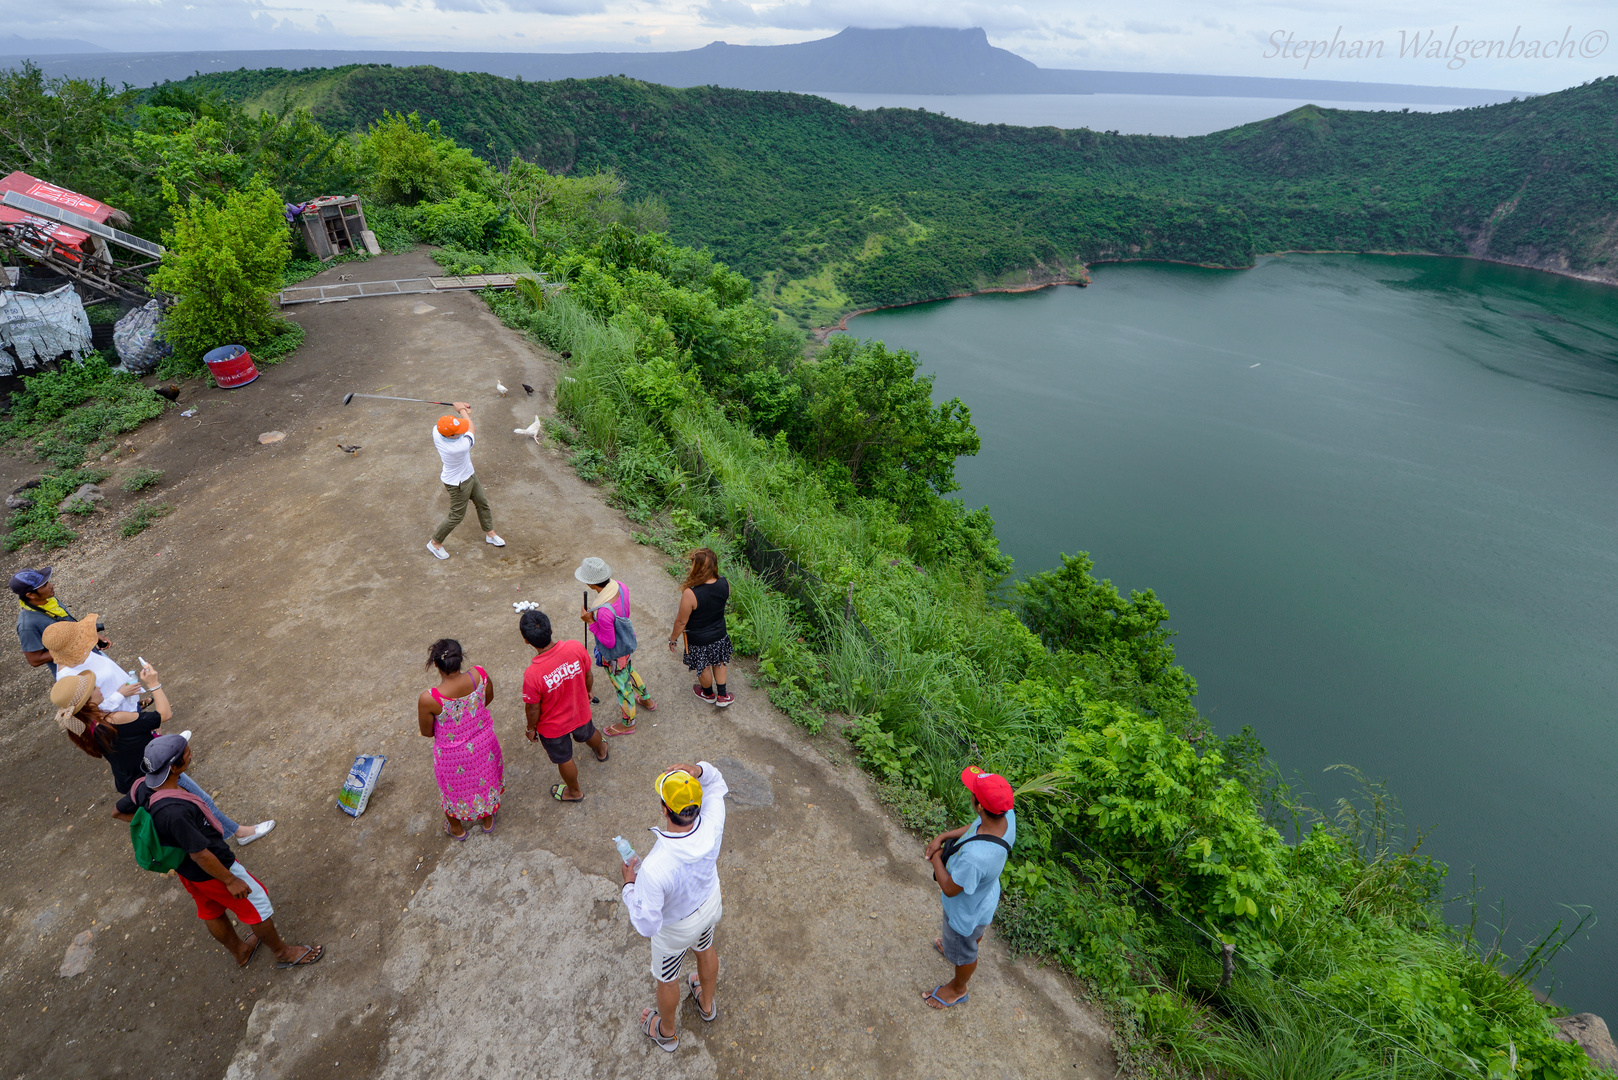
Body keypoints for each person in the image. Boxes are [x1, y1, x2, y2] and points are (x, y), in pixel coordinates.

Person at [113, 734, 322, 969]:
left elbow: (118, 812)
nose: (191, 754)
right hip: (214, 869)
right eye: (187, 753)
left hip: (188, 872)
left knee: (210, 910)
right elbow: (200, 854)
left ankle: (241, 952)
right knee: (257, 904)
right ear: (173, 767)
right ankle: (282, 953)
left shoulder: (143, 786)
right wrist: (230, 879)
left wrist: (161, 831)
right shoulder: (174, 812)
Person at [53, 666, 276, 845]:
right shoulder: (114, 719)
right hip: (155, 771)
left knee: (187, 805)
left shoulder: (84, 726)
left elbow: (124, 743)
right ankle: (238, 834)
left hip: (131, 778)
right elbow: (165, 714)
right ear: (88, 701)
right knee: (201, 801)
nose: (99, 687)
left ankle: (215, 835)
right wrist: (154, 685)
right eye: (93, 687)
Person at [622, 762, 730, 1053]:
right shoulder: (714, 817)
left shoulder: (655, 867)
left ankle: (667, 1031)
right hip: (708, 905)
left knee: (667, 978)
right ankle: (706, 1005)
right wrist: (697, 770)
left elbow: (647, 925)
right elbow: (717, 782)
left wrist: (629, 886)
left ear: (664, 807)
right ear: (698, 803)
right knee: (705, 949)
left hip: (675, 930)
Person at [921, 766, 1017, 1009]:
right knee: (973, 937)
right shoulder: (1006, 815)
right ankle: (963, 947)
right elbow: (974, 829)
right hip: (984, 900)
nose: (971, 793)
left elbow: (950, 889)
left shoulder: (975, 859)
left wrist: (936, 856)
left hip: (965, 913)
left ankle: (957, 988)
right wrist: (942, 836)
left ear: (980, 806)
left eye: (973, 792)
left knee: (965, 951)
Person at [416, 638, 503, 839]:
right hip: (484, 744)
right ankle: (488, 819)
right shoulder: (480, 675)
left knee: (451, 791)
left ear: (436, 664)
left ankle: (457, 829)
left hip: (451, 755)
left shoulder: (429, 699)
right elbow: (487, 699)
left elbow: (428, 731)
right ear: (461, 658)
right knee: (486, 779)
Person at [519, 609, 606, 802]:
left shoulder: (532, 675)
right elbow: (588, 674)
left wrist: (530, 728)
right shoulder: (575, 647)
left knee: (564, 758)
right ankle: (601, 751)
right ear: (551, 630)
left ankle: (575, 792)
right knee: (589, 733)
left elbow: (533, 708)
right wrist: (588, 691)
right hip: (580, 710)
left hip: (553, 728)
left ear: (527, 640)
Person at [576, 556, 656, 737]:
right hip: (626, 643)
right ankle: (647, 700)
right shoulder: (621, 586)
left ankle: (628, 724)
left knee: (623, 688)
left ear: (590, 584)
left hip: (614, 653)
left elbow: (608, 642)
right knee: (630, 670)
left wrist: (590, 622)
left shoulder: (602, 611)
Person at [426, 403, 505, 559]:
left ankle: (490, 533)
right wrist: (461, 410)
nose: (462, 432)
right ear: (451, 436)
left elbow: (459, 426)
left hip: (469, 475)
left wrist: (463, 412)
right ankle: (435, 543)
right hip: (458, 483)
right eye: (458, 432)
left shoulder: (437, 430)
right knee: (456, 516)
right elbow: (471, 428)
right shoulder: (459, 447)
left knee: (482, 502)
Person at [12, 565, 109, 676]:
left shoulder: (48, 601)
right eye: (44, 585)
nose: (51, 586)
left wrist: (91, 634)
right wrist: (72, 647)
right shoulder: (27, 625)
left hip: (93, 658)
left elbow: (69, 626)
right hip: (79, 675)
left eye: (48, 582)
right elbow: (35, 660)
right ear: (31, 595)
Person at [667, 548, 733, 707]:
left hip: (698, 639)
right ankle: (723, 696)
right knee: (719, 662)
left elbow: (681, 622)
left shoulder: (691, 593)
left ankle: (708, 693)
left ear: (698, 568)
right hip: (719, 633)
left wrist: (673, 639)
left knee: (703, 666)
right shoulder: (725, 583)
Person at [42, 612, 141, 713]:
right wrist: (121, 695)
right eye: (80, 637)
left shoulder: (80, 653)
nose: (84, 637)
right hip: (121, 716)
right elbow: (91, 710)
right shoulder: (68, 678)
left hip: (130, 702)